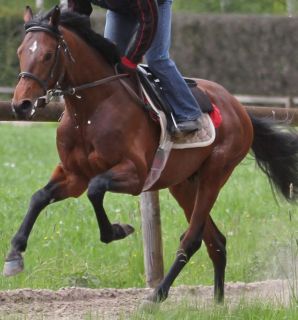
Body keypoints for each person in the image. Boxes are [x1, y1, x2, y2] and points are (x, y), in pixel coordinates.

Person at [68, 0, 208, 135]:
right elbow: (78, 14)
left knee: (157, 60)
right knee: (109, 62)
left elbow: (149, 22)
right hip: (121, 9)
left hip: (155, 6)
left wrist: (131, 59)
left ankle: (189, 112)